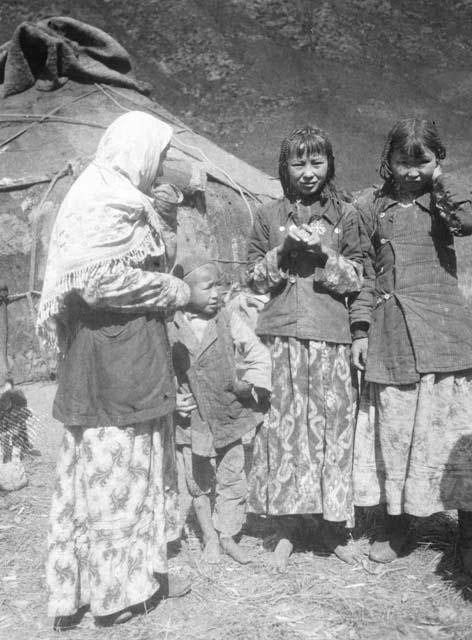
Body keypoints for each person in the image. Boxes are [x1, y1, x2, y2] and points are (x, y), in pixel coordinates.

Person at [36, 111, 192, 630]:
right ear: (138, 150)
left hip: (128, 353)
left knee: (126, 472)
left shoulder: (127, 199)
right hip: (109, 358)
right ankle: (110, 593)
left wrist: (164, 221)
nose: (165, 165)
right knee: (114, 475)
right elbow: (99, 285)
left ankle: (130, 579)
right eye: (161, 154)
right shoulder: (103, 199)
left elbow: (139, 261)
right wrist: (173, 291)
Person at [351, 118, 472, 574]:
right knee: (397, 434)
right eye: (402, 162)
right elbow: (365, 272)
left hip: (445, 334)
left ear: (436, 160)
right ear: (387, 160)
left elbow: (469, 221)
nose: (411, 172)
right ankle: (400, 527)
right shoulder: (370, 206)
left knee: (458, 437)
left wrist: (442, 180)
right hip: (393, 336)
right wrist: (360, 330)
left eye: (422, 162)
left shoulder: (442, 201)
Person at [246, 125, 365, 572]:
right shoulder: (266, 214)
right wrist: (280, 253)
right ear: (285, 167)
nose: (309, 172)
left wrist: (323, 255)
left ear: (330, 163)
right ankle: (286, 529)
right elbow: (252, 280)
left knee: (332, 431)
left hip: (330, 338)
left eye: (317, 162)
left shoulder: (346, 216)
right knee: (284, 433)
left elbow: (358, 278)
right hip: (280, 338)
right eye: (299, 162)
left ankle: (333, 527)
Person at [169, 254, 271, 564]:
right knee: (197, 481)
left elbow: (256, 352)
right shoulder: (169, 328)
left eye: (218, 286)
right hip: (193, 420)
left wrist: (252, 384)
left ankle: (228, 534)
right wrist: (172, 398)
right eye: (207, 287)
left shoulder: (227, 318)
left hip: (229, 413)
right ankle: (208, 538)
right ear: (185, 291)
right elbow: (158, 371)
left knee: (232, 475)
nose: (216, 293)